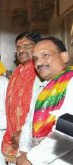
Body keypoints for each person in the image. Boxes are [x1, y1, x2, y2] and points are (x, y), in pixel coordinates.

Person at [17, 37, 73, 165]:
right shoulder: (42, 90)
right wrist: (24, 151)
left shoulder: (71, 82)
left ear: (64, 57)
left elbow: (68, 131)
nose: (39, 63)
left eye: (45, 55)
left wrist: (32, 159)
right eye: (35, 58)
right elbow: (28, 125)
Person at [1, 32, 41, 163]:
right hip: (13, 140)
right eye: (18, 47)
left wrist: (24, 135)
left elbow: (42, 109)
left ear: (38, 47)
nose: (21, 50)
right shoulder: (16, 72)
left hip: (32, 142)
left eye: (27, 46)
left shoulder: (40, 72)